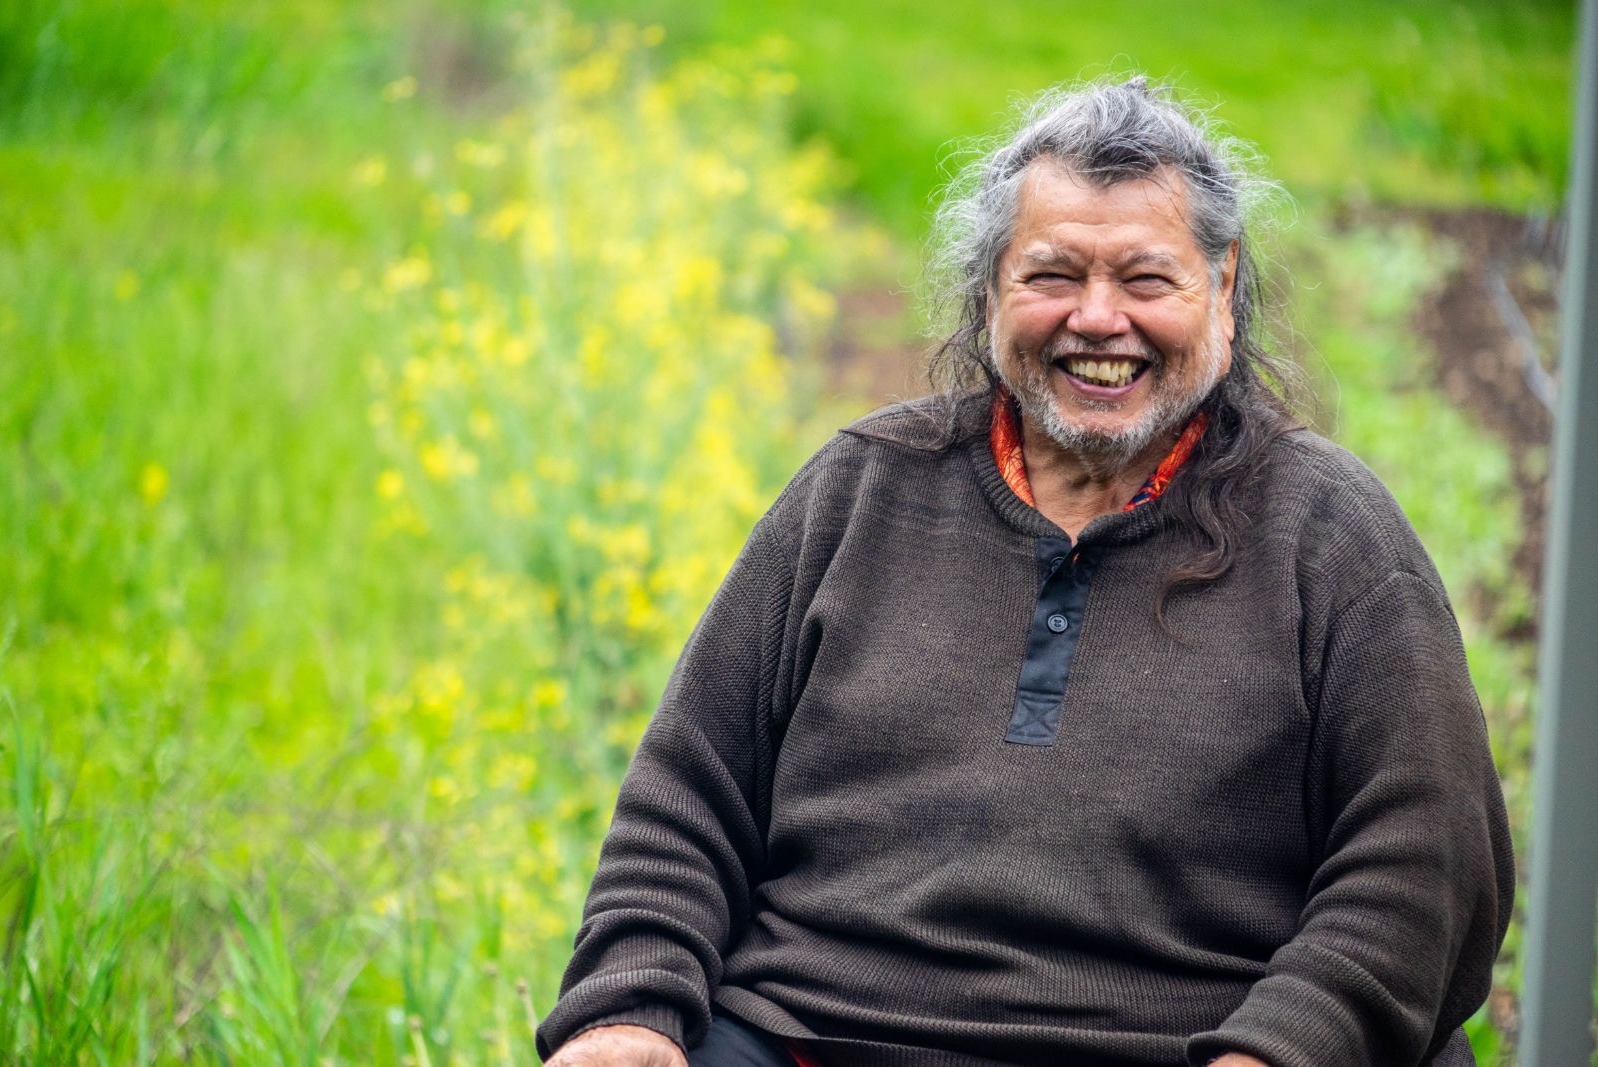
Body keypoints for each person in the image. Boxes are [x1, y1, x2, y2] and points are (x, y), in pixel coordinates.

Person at [536, 76, 1514, 1067]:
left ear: (1220, 290)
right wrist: (627, 1008)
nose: (1097, 319)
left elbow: (1419, 866)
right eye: (1052, 274)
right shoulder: (859, 488)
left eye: (1144, 279)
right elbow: (687, 792)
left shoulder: (1331, 535)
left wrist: (1280, 1046)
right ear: (990, 286)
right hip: (809, 1031)